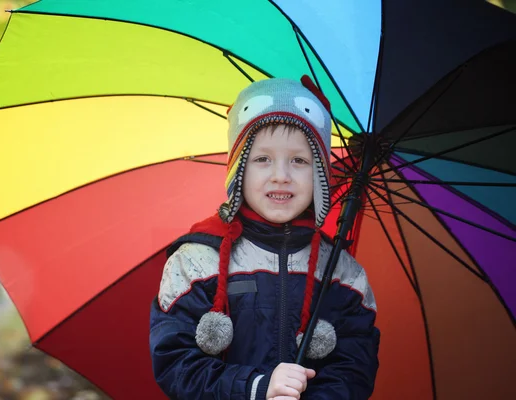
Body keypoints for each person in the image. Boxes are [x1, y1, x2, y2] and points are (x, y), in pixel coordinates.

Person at [149, 76, 380, 400]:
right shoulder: (197, 261)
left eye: (299, 161)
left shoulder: (343, 274)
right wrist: (256, 387)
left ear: (319, 177)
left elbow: (354, 369)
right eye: (262, 159)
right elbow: (177, 364)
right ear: (239, 171)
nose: (281, 176)